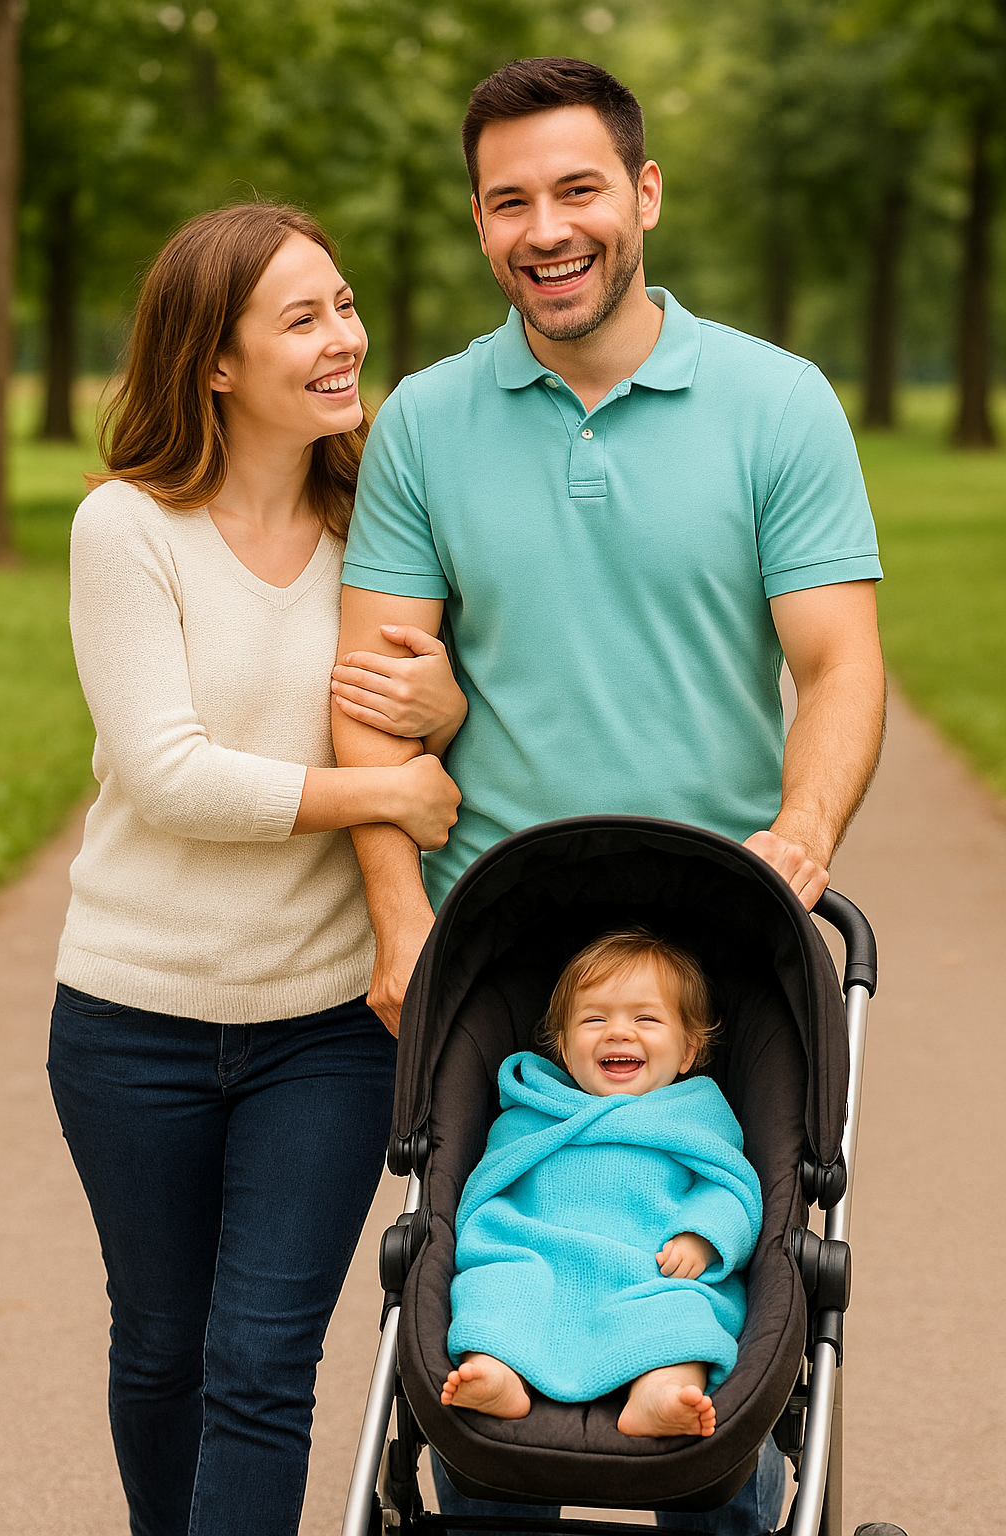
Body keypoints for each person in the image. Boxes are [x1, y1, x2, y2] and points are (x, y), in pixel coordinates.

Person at [331, 56, 886, 1535]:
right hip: (508, 937)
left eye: (577, 188)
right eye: (509, 201)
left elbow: (838, 665)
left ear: (642, 192)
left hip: (722, 915)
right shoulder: (428, 424)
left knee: (728, 1259)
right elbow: (374, 703)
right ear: (479, 222)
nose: (545, 228)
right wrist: (401, 925)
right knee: (482, 1274)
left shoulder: (777, 402)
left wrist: (802, 841)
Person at [47, 202, 466, 1536]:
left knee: (263, 1364)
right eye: (303, 318)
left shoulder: (380, 530)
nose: (345, 339)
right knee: (163, 1345)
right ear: (212, 361)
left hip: (325, 1029)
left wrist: (442, 719)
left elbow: (433, 716)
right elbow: (170, 776)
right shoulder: (128, 529)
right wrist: (385, 785)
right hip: (132, 1020)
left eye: (345, 306)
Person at [440, 929, 763, 1442]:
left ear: (688, 1051)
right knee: (498, 1289)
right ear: (565, 1050)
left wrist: (702, 1234)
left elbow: (731, 1187)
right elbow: (488, 1189)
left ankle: (660, 1389)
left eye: (646, 1018)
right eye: (595, 1019)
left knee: (680, 1313)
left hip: (650, 1269)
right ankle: (496, 1369)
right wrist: (500, 1236)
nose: (618, 1033)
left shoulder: (695, 1116)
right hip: (538, 1259)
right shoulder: (534, 1111)